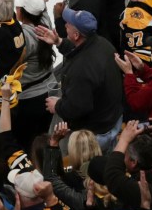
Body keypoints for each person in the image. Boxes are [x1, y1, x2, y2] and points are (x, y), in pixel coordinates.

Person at [37, 9, 123, 152]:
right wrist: (58, 42)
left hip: (95, 134)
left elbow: (77, 107)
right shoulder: (102, 43)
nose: (65, 25)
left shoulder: (82, 70)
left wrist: (57, 105)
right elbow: (79, 51)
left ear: (76, 35)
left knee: (85, 169)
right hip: (111, 120)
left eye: (68, 24)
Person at [12, 0, 56, 148]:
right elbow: (41, 10)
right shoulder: (44, 22)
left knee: (25, 143)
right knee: (42, 138)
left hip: (29, 99)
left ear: (22, 12)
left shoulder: (23, 36)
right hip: (49, 91)